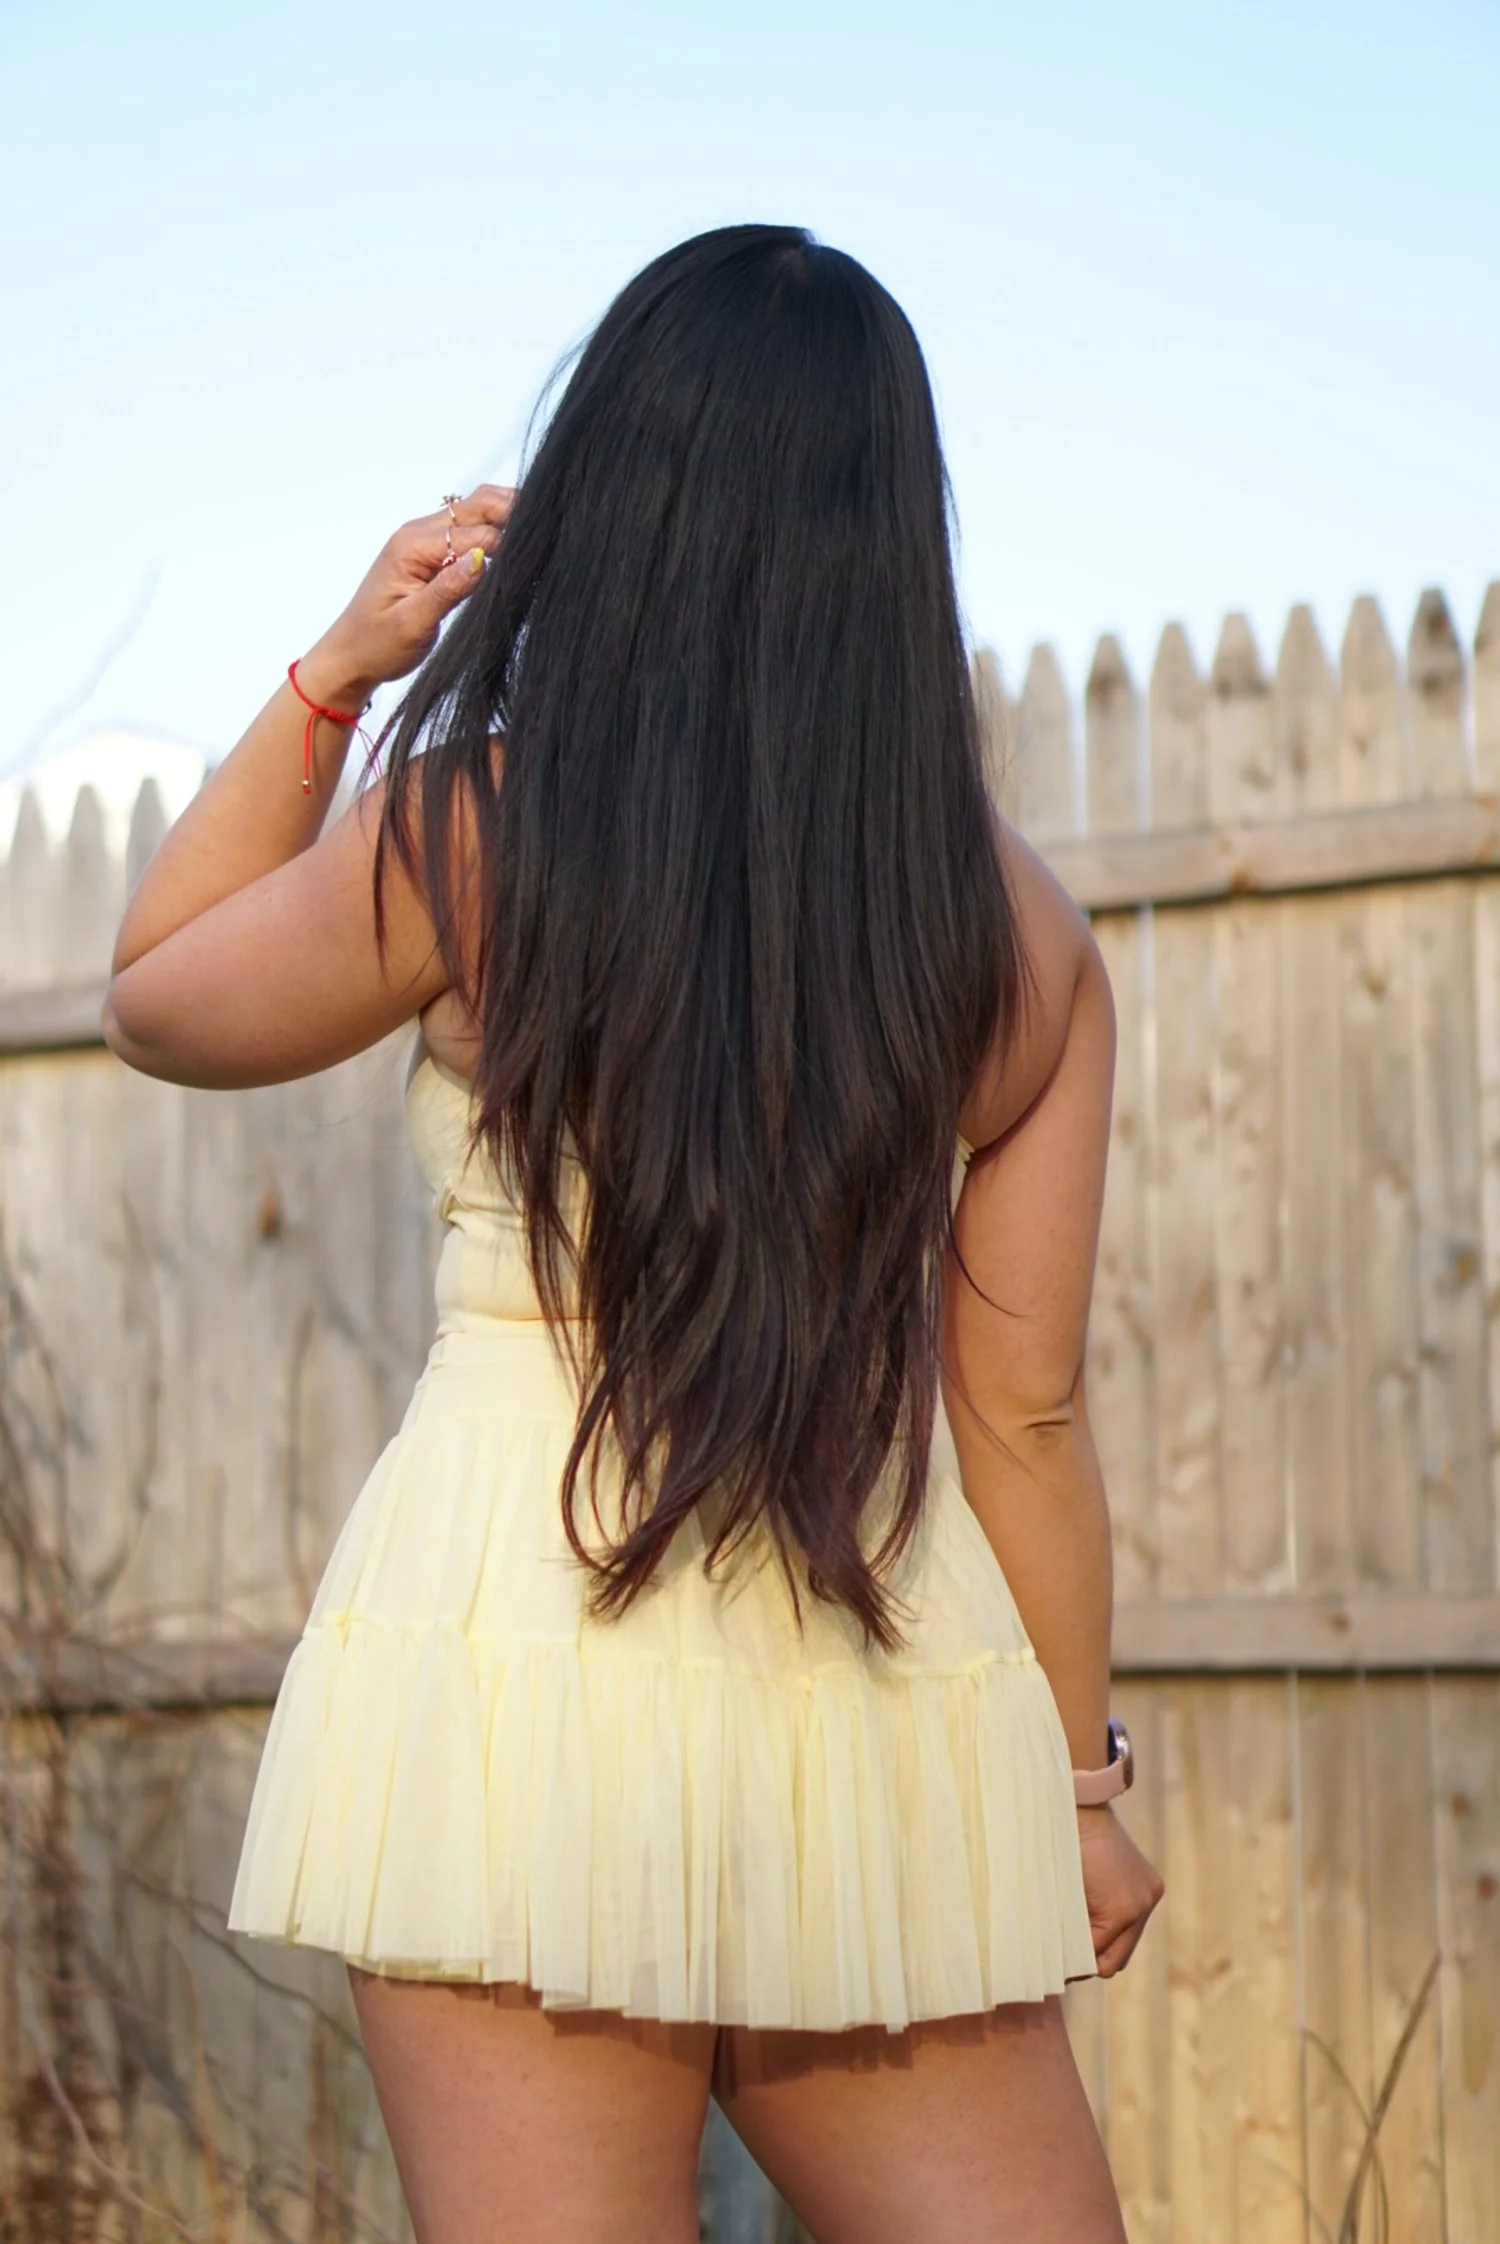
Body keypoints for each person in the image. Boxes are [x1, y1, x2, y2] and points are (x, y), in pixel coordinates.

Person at [104, 224, 1163, 2244]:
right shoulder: (1013, 928)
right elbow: (1021, 1413)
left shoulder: (479, 831)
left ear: (610, 497)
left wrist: (334, 677)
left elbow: (157, 998)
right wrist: (1081, 1797)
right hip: (873, 1678)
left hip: (513, 1658)